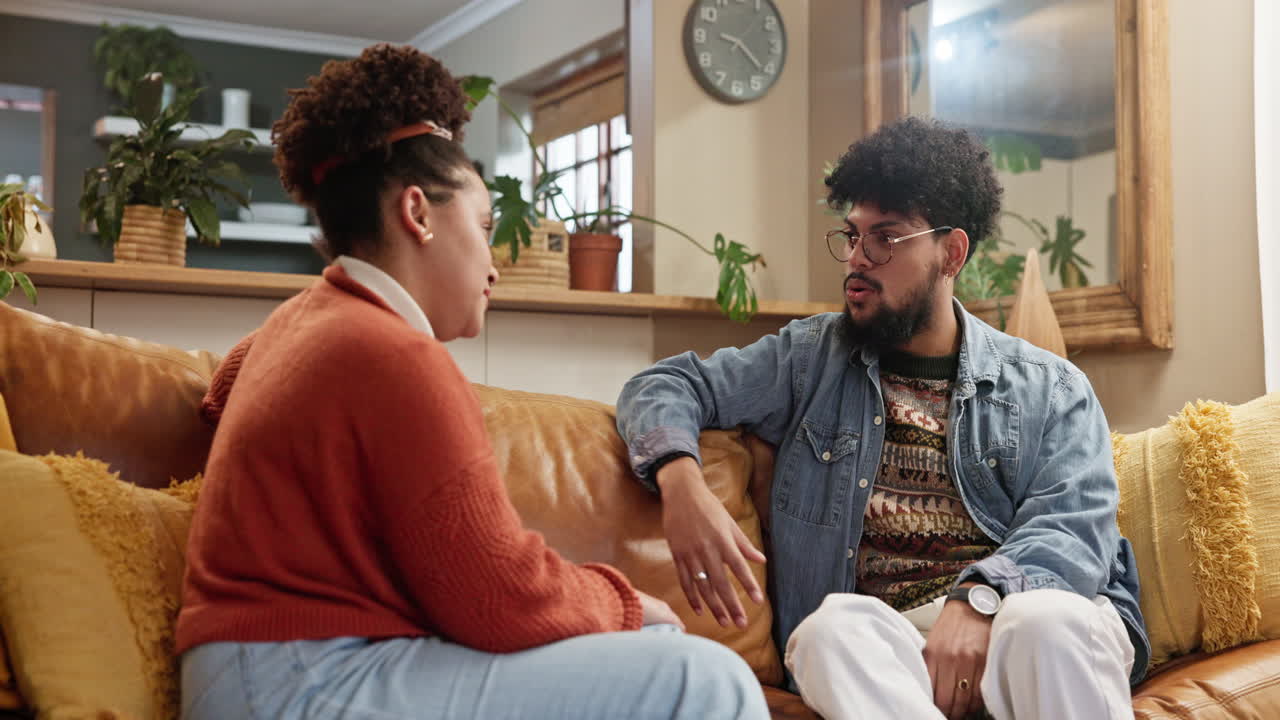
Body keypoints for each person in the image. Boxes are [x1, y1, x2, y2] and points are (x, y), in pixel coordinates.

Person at [175, 44, 768, 720]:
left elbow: (218, 397)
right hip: (300, 681)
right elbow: (496, 599)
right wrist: (624, 601)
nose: (493, 263)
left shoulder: (299, 323)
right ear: (418, 213)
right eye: (484, 227)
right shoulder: (395, 356)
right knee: (704, 680)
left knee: (653, 654)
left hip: (251, 673)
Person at [616, 116, 1148, 720]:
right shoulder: (807, 358)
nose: (856, 260)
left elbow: (1073, 529)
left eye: (885, 239)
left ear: (951, 253)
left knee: (1041, 623)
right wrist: (681, 482)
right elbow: (665, 384)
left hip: (1023, 616)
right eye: (852, 236)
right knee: (826, 633)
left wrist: (980, 597)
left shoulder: (1050, 387)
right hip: (897, 648)